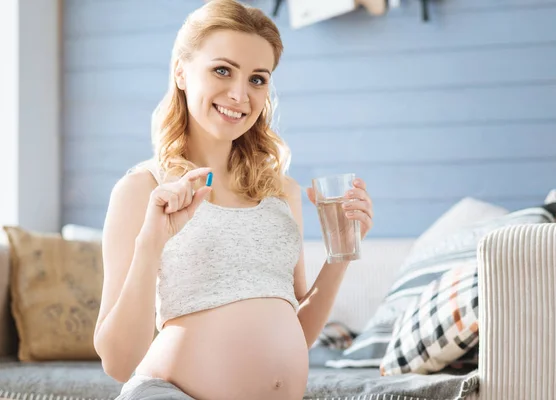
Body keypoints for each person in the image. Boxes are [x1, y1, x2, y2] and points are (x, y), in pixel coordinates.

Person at [93, 1, 374, 399]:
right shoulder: (143, 189)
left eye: (258, 79)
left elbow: (298, 330)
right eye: (222, 70)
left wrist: (341, 253)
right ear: (181, 72)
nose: (240, 94)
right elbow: (118, 363)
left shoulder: (282, 191)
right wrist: (151, 242)